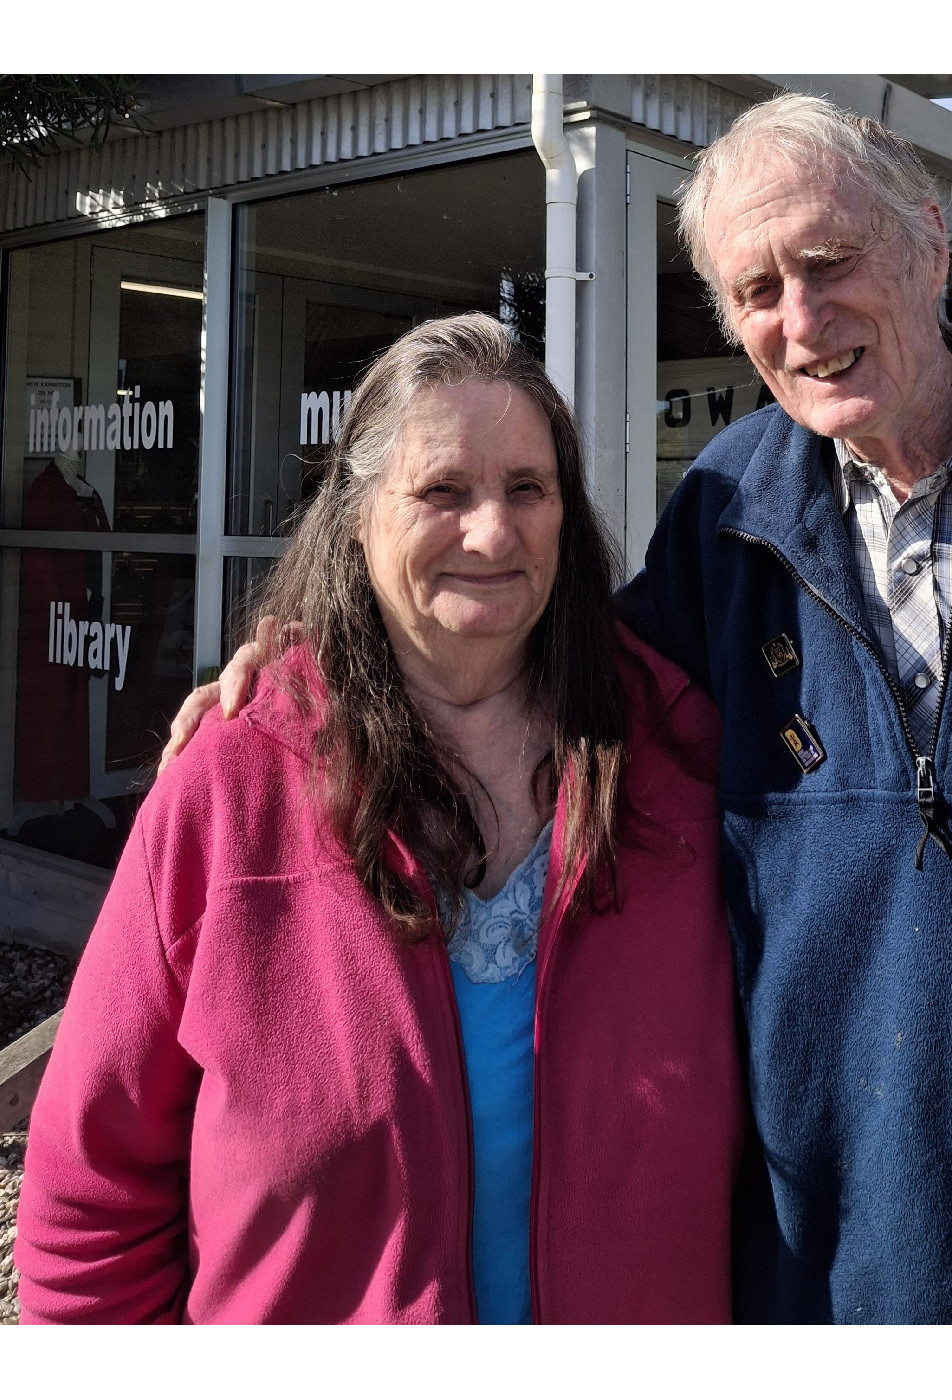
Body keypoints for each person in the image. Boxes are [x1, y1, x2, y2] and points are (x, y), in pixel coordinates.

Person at [158, 95, 952, 1324]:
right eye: (756, 291)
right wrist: (327, 651)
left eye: (827, 262)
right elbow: (539, 673)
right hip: (840, 1296)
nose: (799, 321)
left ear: (926, 239)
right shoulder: (731, 515)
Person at [16, 314, 745, 1324]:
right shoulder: (231, 789)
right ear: (356, 516)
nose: (491, 531)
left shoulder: (680, 759)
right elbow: (90, 1200)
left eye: (525, 489)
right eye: (442, 490)